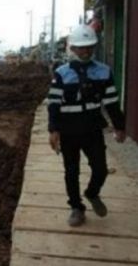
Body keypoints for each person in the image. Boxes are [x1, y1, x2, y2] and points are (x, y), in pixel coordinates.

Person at [47, 25, 126, 227]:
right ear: (72, 49)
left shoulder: (103, 72)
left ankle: (92, 193)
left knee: (100, 169)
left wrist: (119, 126)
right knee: (71, 171)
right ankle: (76, 207)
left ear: (94, 47)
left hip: (92, 130)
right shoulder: (61, 74)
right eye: (80, 48)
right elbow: (54, 103)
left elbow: (111, 102)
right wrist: (53, 130)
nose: (85, 51)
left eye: (89, 47)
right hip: (68, 131)